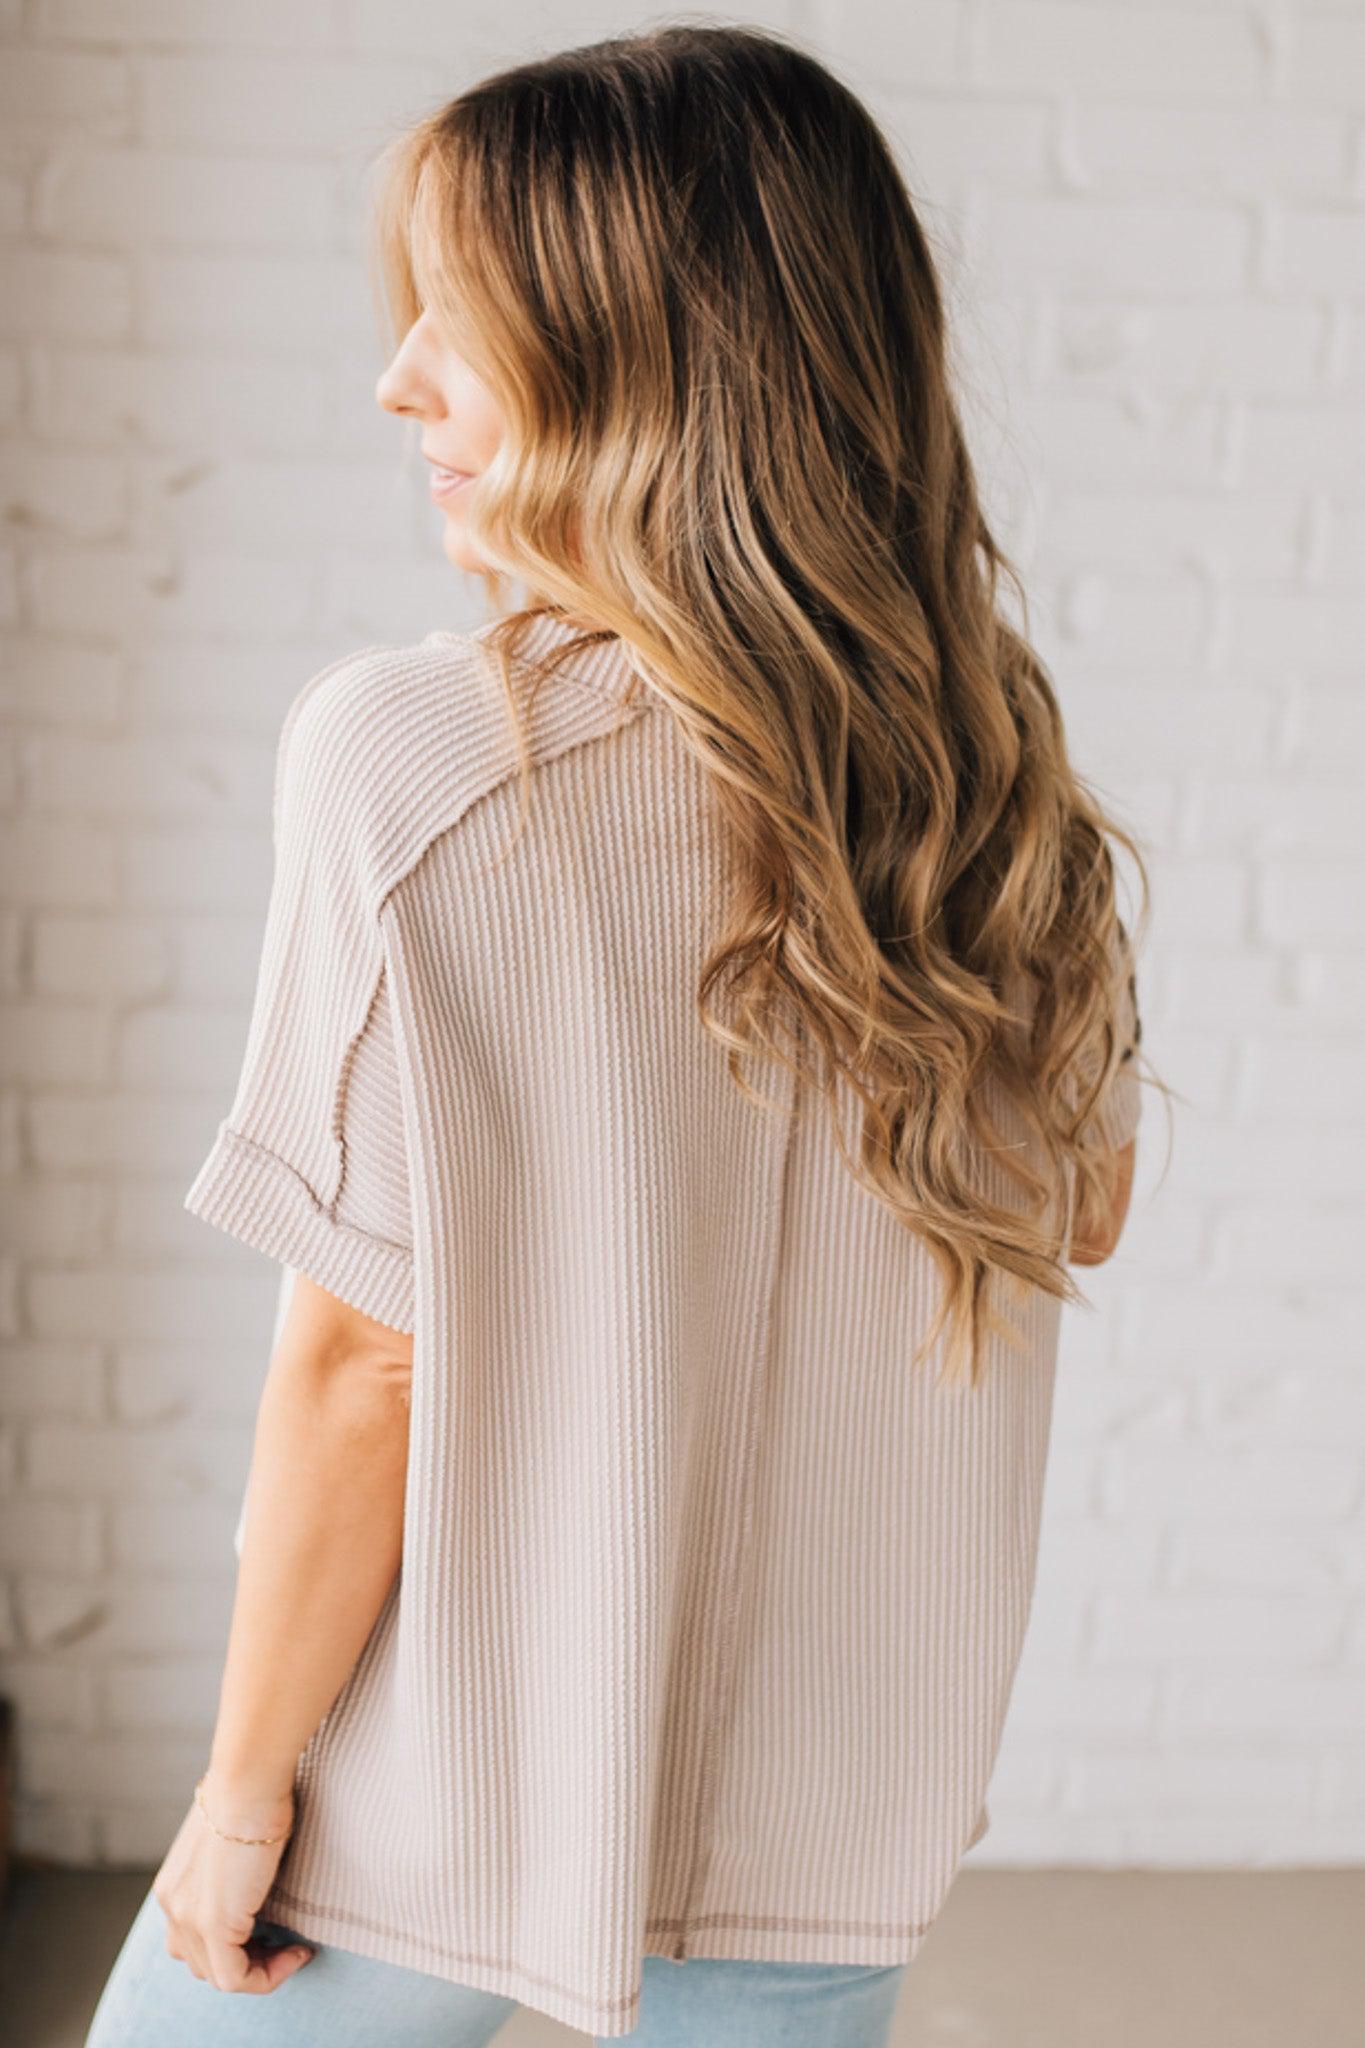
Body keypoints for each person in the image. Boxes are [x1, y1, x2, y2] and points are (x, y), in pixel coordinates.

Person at [84, 23, 1160, 2048]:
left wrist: (238, 1794)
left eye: (462, 321)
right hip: (832, 1791)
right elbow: (1073, 1223)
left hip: (450, 1782)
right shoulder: (989, 791)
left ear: (648, 367)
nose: (397, 373)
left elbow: (359, 1364)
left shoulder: (424, 758)